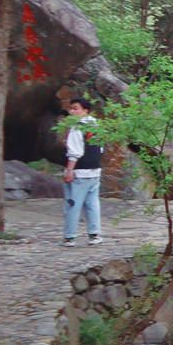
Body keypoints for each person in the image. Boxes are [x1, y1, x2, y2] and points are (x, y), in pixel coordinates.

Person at [62, 97, 103, 247]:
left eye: (75, 108)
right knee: (92, 204)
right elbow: (101, 148)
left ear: (85, 110)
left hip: (80, 172)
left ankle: (69, 236)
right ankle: (94, 234)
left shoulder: (77, 127)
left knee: (73, 204)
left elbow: (75, 152)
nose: (72, 111)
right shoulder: (96, 125)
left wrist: (69, 170)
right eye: (70, 108)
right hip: (95, 170)